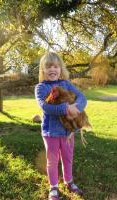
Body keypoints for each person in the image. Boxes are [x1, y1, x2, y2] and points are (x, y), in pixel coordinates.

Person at [35, 52, 87, 200]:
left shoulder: (66, 84)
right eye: (48, 66)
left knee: (68, 157)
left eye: (56, 66)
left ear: (60, 69)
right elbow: (46, 107)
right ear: (43, 70)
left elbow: (82, 97)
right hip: (50, 132)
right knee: (52, 160)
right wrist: (66, 108)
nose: (52, 69)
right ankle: (53, 186)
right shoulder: (41, 88)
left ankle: (69, 181)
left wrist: (77, 107)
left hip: (68, 132)